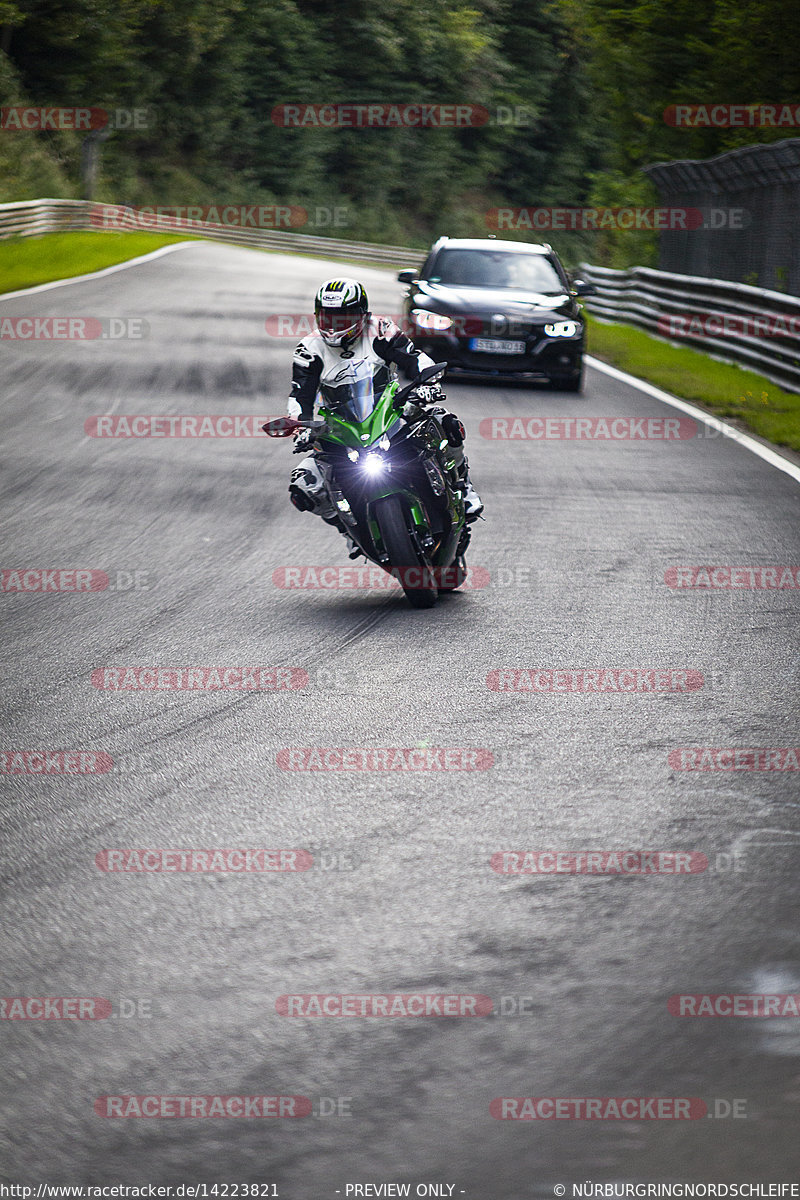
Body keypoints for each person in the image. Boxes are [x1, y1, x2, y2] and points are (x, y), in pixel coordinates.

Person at [286, 278, 483, 554]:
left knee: (444, 422)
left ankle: (464, 485)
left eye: (343, 317)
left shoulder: (380, 330)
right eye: (328, 317)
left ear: (362, 314)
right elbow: (300, 395)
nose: (334, 325)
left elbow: (414, 358)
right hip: (341, 425)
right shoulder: (309, 348)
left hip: (389, 409)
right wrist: (300, 424)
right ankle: (348, 528)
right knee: (303, 484)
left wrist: (427, 384)